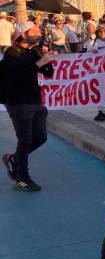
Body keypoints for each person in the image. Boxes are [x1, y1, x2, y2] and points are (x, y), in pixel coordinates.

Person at [1, 22, 55, 192]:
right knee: (25, 141)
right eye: (35, 30)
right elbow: (19, 74)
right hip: (18, 102)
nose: (39, 32)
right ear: (23, 35)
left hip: (35, 102)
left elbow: (48, 73)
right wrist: (39, 63)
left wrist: (46, 60)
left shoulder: (34, 51)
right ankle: (22, 178)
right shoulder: (12, 52)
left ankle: (13, 159)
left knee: (40, 137)